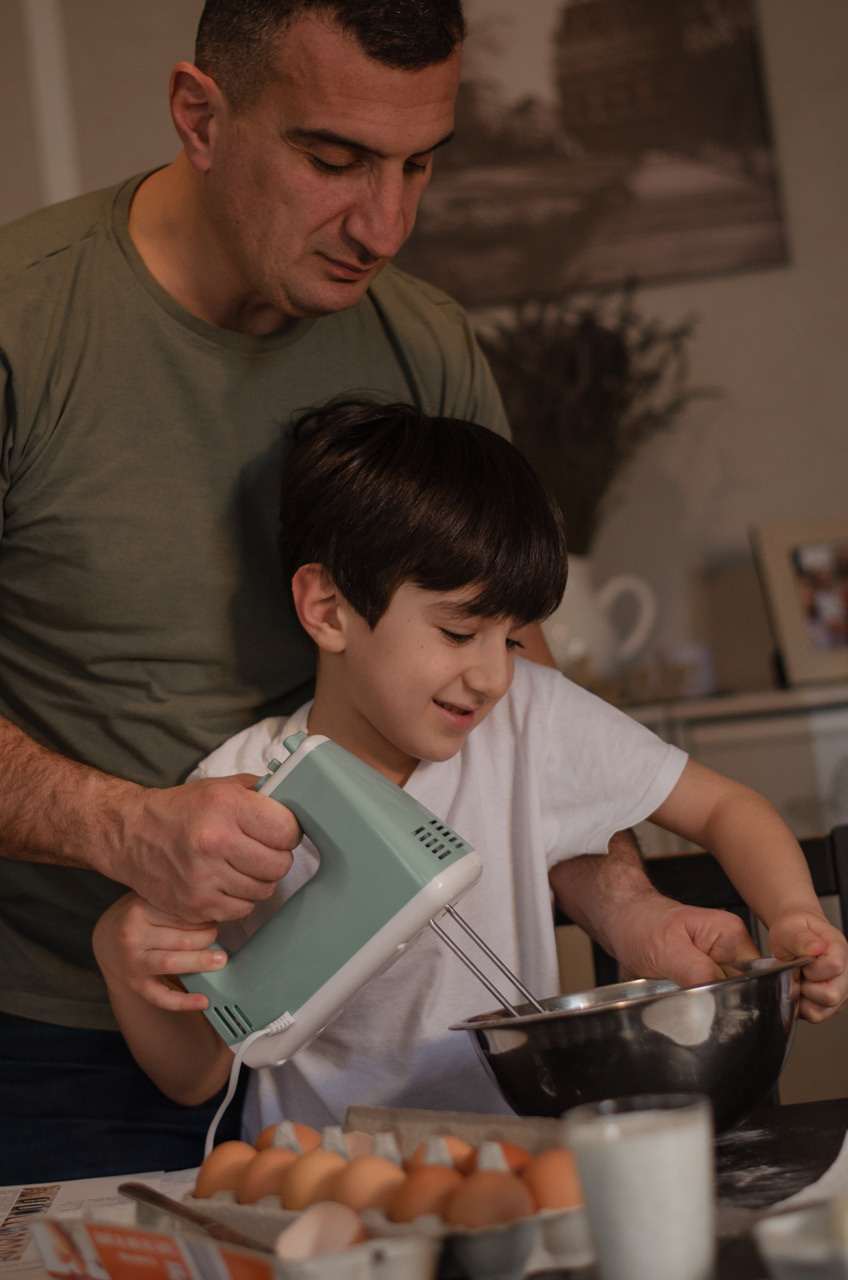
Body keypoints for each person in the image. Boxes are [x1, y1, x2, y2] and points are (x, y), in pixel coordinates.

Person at [0, 0, 809, 1180]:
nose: (383, 222)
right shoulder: (27, 324)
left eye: (418, 163)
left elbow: (515, 680)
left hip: (385, 1076)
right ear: (200, 115)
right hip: (60, 1031)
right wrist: (126, 831)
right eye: (333, 159)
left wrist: (621, 901)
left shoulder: (421, 340)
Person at [93, 401, 848, 1140]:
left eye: (512, 640)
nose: (490, 676)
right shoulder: (233, 791)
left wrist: (792, 917)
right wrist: (121, 952)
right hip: (328, 1193)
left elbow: (728, 810)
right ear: (327, 608)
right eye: (458, 632)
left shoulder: (529, 721)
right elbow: (193, 1077)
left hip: (527, 1168)